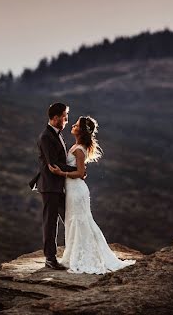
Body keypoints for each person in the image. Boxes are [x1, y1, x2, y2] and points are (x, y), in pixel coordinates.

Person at [47, 115, 136, 274]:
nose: (72, 126)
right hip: (73, 189)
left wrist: (62, 173)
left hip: (76, 190)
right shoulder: (77, 147)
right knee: (75, 220)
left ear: (81, 131)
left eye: (75, 125)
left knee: (79, 220)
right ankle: (75, 253)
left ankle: (83, 256)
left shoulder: (79, 150)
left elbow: (80, 173)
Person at [29, 102, 80, 269]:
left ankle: (75, 251)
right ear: (56, 117)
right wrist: (77, 170)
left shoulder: (57, 134)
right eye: (65, 116)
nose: (66, 119)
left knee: (70, 217)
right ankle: (50, 259)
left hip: (58, 186)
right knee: (50, 223)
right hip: (50, 186)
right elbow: (54, 165)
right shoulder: (46, 137)